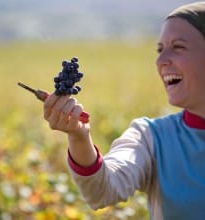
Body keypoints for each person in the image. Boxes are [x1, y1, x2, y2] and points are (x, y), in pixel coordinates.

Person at [43, 2, 205, 219]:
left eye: (178, 47)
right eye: (159, 50)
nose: (161, 61)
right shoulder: (151, 138)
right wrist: (79, 137)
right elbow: (102, 190)